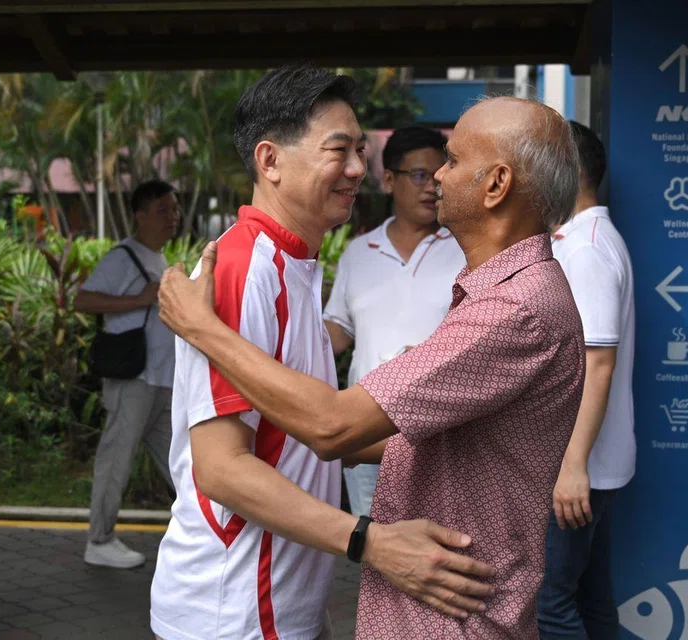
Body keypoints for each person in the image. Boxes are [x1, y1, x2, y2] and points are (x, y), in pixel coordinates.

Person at [158, 95, 586, 639]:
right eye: (342, 150)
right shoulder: (253, 265)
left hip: (449, 616)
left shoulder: (513, 308)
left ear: (496, 185)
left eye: (450, 163)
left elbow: (332, 426)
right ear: (270, 162)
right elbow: (231, 462)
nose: (435, 179)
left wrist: (200, 328)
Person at [324, 125, 466, 517]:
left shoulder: (466, 251)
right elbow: (338, 330)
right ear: (388, 180)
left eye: (439, 176)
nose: (431, 187)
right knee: (373, 549)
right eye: (419, 175)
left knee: (432, 549)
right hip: (364, 427)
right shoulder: (357, 252)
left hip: (435, 434)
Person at [538, 121, 636, 640]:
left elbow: (598, 363)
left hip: (579, 469)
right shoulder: (581, 240)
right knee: (590, 596)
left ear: (569, 171)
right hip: (590, 465)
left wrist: (571, 465)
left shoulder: (586, 249)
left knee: (550, 606)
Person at [73, 179, 179, 569]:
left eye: (175, 209)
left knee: (182, 463)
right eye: (163, 210)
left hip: (161, 382)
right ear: (140, 215)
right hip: (133, 380)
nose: (173, 217)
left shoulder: (160, 259)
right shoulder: (123, 257)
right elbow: (82, 300)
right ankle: (99, 541)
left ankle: (210, 532)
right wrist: (137, 298)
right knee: (116, 457)